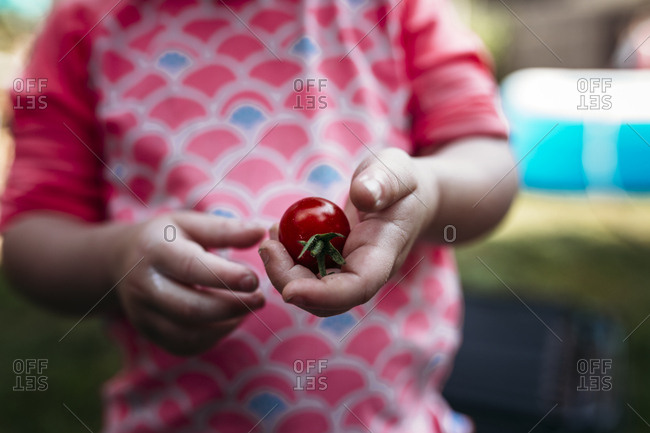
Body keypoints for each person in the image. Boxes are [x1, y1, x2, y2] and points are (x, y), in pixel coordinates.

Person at [0, 0, 517, 431]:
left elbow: (488, 164)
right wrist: (117, 259)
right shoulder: (85, 25)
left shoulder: (399, 8)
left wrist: (429, 190)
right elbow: (29, 236)